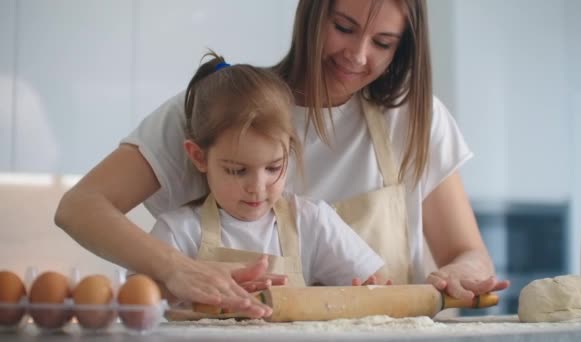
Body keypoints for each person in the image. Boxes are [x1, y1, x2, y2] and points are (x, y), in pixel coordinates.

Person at [55, 0, 509, 318]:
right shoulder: (218, 107)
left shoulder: (413, 119)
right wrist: (179, 270)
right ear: (311, 14)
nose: (358, 54)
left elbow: (468, 254)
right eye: (344, 28)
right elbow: (81, 207)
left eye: (385, 42)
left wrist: (462, 275)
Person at [150, 52, 386, 308]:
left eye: (274, 168)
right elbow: (140, 301)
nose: (257, 187)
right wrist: (179, 291)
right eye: (237, 170)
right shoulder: (178, 233)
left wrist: (364, 293)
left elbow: (376, 285)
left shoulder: (311, 221)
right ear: (199, 157)